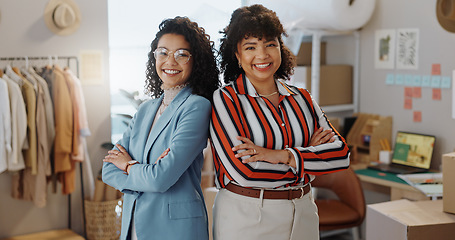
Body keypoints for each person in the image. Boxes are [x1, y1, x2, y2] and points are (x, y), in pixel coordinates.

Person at [209, 4, 350, 240]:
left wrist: (281, 156)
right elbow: (245, 172)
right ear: (237, 54)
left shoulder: (303, 97)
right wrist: (309, 158)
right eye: (250, 47)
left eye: (270, 45)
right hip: (249, 217)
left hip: (304, 212)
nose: (262, 55)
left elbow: (341, 155)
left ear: (280, 48)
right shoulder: (226, 99)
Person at [102, 16, 219, 240]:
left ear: (196, 61)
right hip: (134, 223)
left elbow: (160, 179)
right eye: (163, 52)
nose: (170, 61)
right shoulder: (146, 109)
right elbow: (108, 169)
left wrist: (128, 165)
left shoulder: (196, 106)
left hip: (175, 230)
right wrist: (147, 171)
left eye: (181, 54)